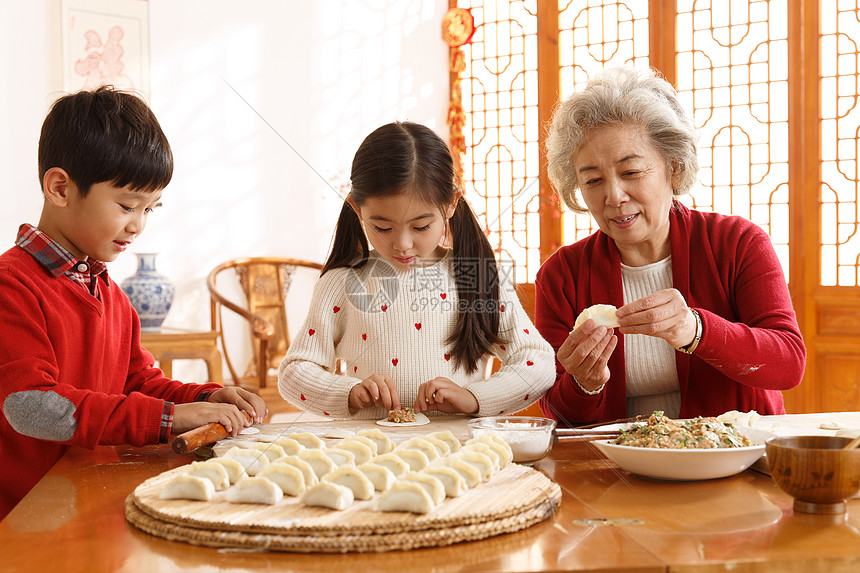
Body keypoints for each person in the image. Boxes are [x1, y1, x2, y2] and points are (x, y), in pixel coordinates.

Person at [0, 86, 267, 519]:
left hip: (94, 504)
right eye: (127, 205)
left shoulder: (112, 296)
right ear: (60, 188)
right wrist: (167, 419)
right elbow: (32, 409)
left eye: (151, 209)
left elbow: (138, 384)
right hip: (30, 522)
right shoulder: (12, 288)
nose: (138, 225)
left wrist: (208, 396)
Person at [534, 67, 806, 426]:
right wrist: (584, 385)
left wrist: (696, 331)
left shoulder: (738, 243)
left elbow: (788, 364)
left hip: (731, 459)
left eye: (631, 172)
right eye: (593, 180)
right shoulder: (561, 276)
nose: (614, 196)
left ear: (673, 169)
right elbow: (557, 414)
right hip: (617, 469)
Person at [279, 122, 555, 419]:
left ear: (450, 204)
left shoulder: (478, 276)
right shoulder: (342, 282)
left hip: (461, 455)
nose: (402, 244)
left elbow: (538, 362)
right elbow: (294, 372)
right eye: (382, 227)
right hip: (371, 455)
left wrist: (474, 398)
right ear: (357, 210)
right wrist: (348, 392)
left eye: (421, 226)